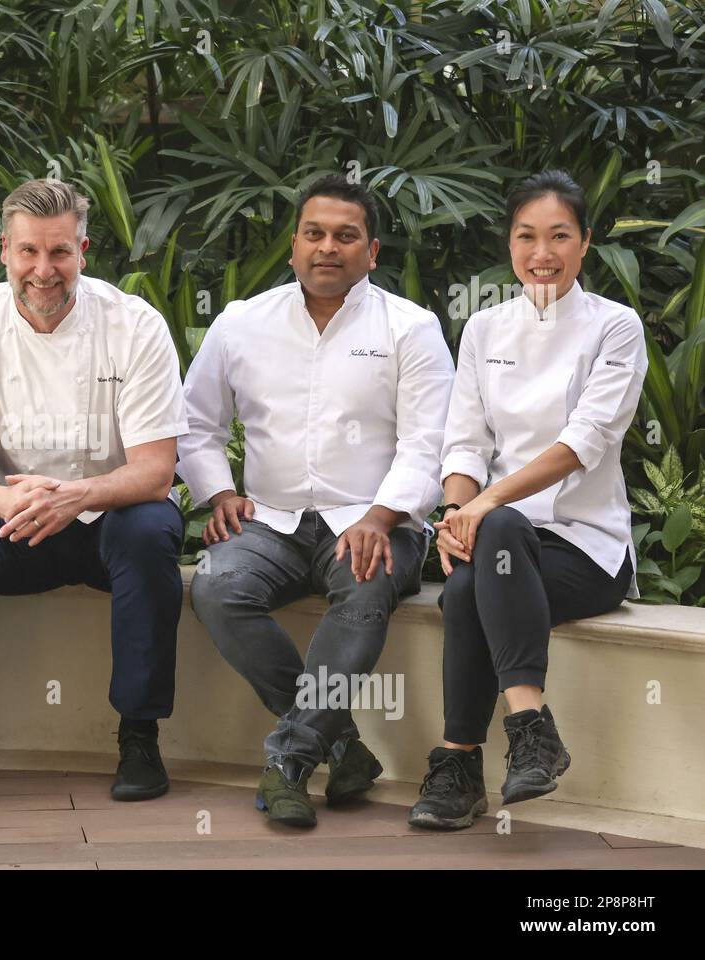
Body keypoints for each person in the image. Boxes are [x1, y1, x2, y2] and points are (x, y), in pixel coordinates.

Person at [180, 174, 454, 828]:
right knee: (216, 585)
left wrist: (382, 517)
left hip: (375, 522)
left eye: (344, 236)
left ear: (372, 252)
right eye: (314, 233)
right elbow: (193, 422)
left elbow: (431, 443)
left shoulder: (409, 329)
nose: (327, 247)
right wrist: (217, 489)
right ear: (295, 243)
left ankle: (291, 759)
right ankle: (342, 747)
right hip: (269, 522)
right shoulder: (242, 323)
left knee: (362, 584)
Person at [0, 179, 188, 801]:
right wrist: (2, 500)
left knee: (150, 530)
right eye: (29, 252)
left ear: (83, 251)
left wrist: (76, 496)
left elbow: (155, 471)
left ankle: (140, 738)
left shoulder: (134, 325)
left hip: (109, 524)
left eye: (60, 252)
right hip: (12, 522)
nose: (44, 270)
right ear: (5, 251)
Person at [408, 171, 646, 830]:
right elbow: (464, 441)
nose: (543, 252)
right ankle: (498, 748)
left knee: (502, 529)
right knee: (463, 586)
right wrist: (458, 515)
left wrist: (482, 508)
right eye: (527, 236)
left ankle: (485, 751)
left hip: (586, 550)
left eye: (559, 236)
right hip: (501, 540)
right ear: (509, 243)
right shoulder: (485, 329)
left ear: (585, 243)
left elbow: (583, 443)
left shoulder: (616, 328)